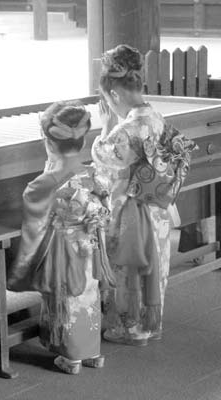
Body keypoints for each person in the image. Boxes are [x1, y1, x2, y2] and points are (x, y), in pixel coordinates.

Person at [92, 44, 195, 346]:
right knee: (155, 265)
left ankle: (129, 328)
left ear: (115, 95)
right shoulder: (154, 117)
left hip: (131, 213)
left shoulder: (124, 130)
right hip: (158, 210)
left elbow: (103, 159)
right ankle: (151, 324)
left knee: (127, 268)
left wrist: (105, 127)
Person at [7, 100, 115, 374]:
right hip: (90, 246)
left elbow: (34, 215)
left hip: (62, 250)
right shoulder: (92, 173)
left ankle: (71, 357)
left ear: (49, 142)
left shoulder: (45, 182)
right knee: (88, 296)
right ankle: (92, 353)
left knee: (65, 298)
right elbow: (104, 206)